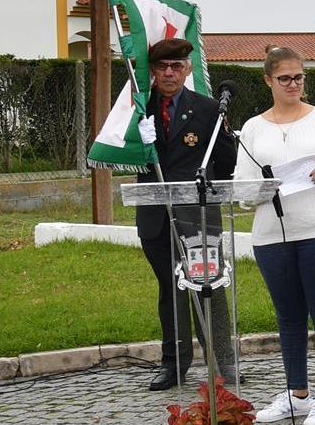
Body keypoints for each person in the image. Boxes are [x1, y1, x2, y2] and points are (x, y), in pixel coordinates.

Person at [234, 46, 315, 425]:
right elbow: (241, 188)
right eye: (284, 78)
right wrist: (262, 186)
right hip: (272, 234)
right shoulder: (253, 127)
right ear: (268, 81)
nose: (293, 85)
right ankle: (297, 394)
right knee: (288, 318)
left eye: (299, 77)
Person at [134, 37, 239, 392]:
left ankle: (224, 362)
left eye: (176, 66)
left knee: (209, 287)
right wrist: (137, 138)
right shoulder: (138, 109)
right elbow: (117, 149)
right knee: (170, 290)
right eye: (162, 67)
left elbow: (225, 161)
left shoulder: (209, 109)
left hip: (198, 215)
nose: (169, 73)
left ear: (188, 69)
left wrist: (208, 192)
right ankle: (174, 364)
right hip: (154, 216)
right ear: (152, 71)